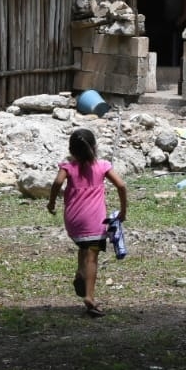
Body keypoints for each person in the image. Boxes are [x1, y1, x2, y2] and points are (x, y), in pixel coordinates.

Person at [47, 128, 128, 317]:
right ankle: (89, 297)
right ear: (94, 147)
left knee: (83, 247)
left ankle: (80, 274)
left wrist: (51, 202)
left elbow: (57, 183)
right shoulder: (103, 166)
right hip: (94, 222)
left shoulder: (68, 166)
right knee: (92, 256)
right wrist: (123, 211)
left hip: (73, 221)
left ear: (71, 149)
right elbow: (122, 186)